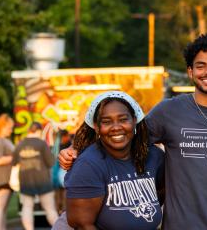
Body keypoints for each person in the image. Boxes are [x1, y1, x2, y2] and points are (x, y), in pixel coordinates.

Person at [59, 33, 207, 229]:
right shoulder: (168, 111)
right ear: (190, 71)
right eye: (201, 66)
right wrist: (76, 148)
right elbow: (125, 136)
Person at [62, 91, 164, 229]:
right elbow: (82, 224)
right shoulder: (88, 164)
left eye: (123, 119)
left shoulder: (153, 156)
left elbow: (160, 194)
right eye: (106, 122)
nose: (116, 127)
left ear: (134, 120)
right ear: (97, 127)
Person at [13, 122, 59, 229]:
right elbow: (51, 162)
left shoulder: (20, 144)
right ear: (38, 131)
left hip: (25, 180)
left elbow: (14, 163)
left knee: (27, 207)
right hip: (43, 180)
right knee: (50, 208)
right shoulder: (42, 144)